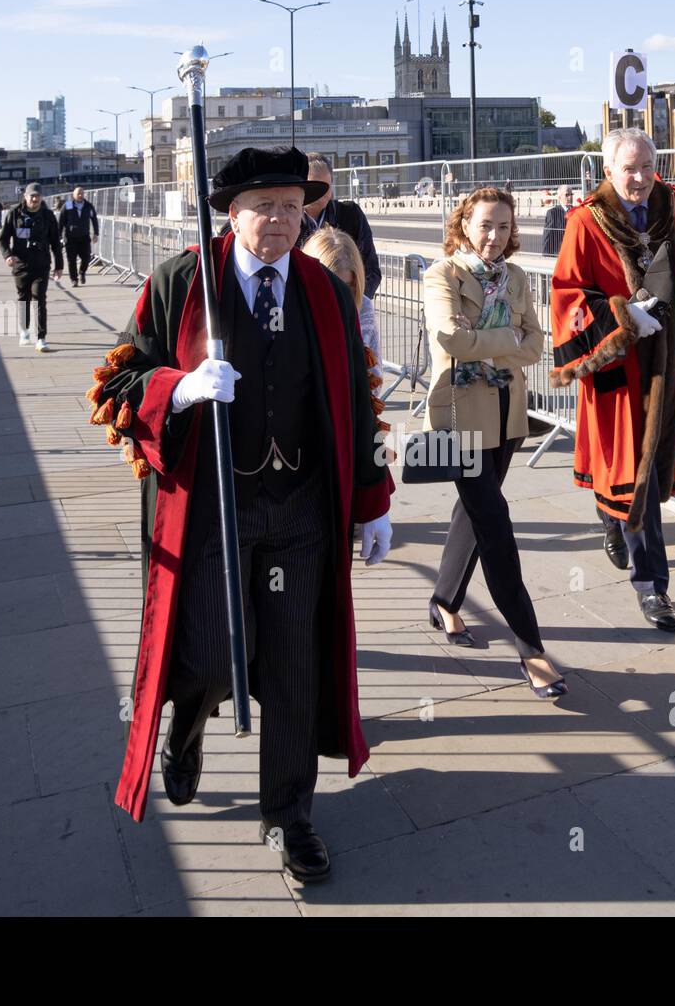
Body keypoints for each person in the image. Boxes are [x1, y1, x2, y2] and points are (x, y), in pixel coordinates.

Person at [93, 146, 393, 884]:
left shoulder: (324, 290)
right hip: (211, 516)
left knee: (293, 665)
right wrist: (181, 388)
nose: (282, 221)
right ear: (232, 213)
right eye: (266, 208)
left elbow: (355, 400)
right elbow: (119, 379)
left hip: (297, 514)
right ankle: (186, 731)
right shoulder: (179, 284)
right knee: (203, 654)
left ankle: (290, 818)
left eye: (294, 207)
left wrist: (372, 504)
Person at [550, 127, 675, 632]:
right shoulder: (585, 221)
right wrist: (622, 317)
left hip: (664, 362)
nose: (638, 178)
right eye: (628, 168)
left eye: (646, 166)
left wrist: (673, 324)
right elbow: (568, 296)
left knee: (648, 471)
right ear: (608, 170)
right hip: (617, 365)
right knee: (629, 472)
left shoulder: (674, 208)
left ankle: (612, 518)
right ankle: (652, 586)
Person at [422, 187, 564, 697]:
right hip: (460, 418)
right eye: (485, 225)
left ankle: (444, 602)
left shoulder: (518, 277)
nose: (494, 237)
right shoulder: (441, 275)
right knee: (496, 525)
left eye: (504, 227)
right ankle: (532, 648)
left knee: (474, 515)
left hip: (506, 418)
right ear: (464, 226)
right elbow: (451, 339)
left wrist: (492, 343)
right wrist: (508, 342)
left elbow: (538, 344)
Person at [302, 226, 383, 413]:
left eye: (347, 287)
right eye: (331, 287)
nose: (340, 296)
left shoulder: (363, 307)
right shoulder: (294, 306)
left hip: (351, 413)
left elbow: (374, 380)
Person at [303, 153, 382, 299]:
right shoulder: (289, 221)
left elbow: (372, 271)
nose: (322, 194)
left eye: (326, 186)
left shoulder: (350, 215)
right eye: (315, 186)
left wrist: (355, 303)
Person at [0, 181, 63, 353]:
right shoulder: (14, 214)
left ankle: (41, 338)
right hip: (21, 264)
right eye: (31, 195)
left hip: (41, 263)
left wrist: (59, 265)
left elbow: (56, 242)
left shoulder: (48, 216)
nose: (35, 198)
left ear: (41, 198)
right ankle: (24, 330)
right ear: (25, 197)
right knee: (23, 297)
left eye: (37, 196)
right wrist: (8, 255)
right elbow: (3, 239)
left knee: (39, 297)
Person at [58, 186, 100, 286]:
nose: (80, 195)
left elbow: (94, 219)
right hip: (70, 237)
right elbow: (61, 221)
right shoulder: (68, 205)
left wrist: (96, 233)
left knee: (86, 257)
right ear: (74, 195)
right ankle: (74, 279)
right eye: (78, 194)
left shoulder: (88, 206)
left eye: (82, 193)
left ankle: (82, 272)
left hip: (84, 237)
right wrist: (59, 236)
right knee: (71, 260)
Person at [541, 184, 575, 257]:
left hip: (573, 254)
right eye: (567, 195)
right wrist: (546, 255)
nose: (570, 197)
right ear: (559, 197)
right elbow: (547, 235)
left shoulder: (576, 211)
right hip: (559, 254)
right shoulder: (553, 213)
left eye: (571, 194)